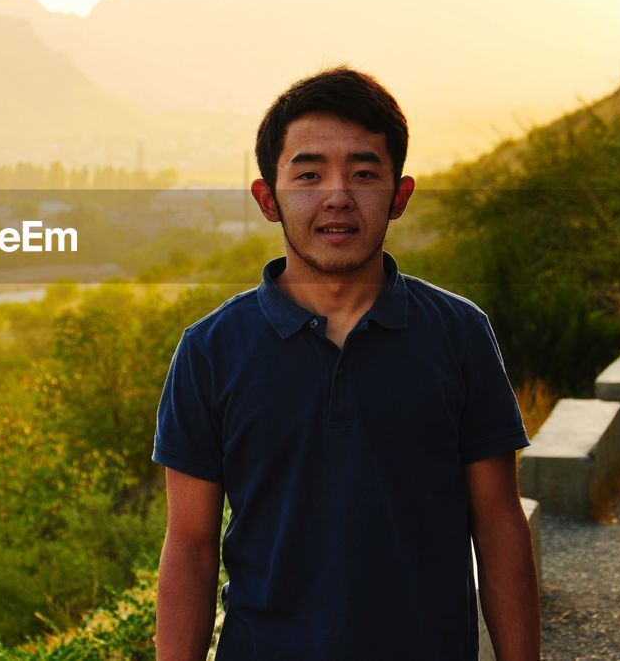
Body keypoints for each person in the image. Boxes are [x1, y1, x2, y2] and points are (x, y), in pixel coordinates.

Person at [153, 66, 540, 660]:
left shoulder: (460, 334)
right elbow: (191, 547)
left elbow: (498, 524)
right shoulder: (210, 350)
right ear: (268, 199)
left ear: (400, 195)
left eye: (364, 173)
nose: (337, 195)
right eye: (308, 174)